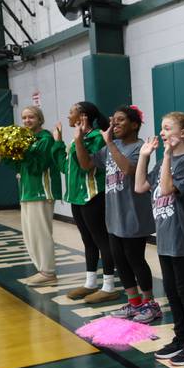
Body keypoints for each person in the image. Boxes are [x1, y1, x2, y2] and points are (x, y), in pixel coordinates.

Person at [135, 112, 184, 365]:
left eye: (167, 128)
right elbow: (141, 186)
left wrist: (165, 156)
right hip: (165, 234)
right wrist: (144, 157)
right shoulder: (165, 161)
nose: (162, 133)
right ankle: (180, 338)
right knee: (171, 290)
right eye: (161, 128)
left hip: (182, 233)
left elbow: (166, 189)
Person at [74, 105, 159, 317]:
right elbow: (86, 165)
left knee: (135, 258)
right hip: (114, 214)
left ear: (134, 124)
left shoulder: (141, 147)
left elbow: (128, 170)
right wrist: (78, 140)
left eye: (121, 120)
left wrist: (109, 142)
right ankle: (134, 302)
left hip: (134, 214)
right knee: (119, 259)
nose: (115, 124)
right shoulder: (112, 147)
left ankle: (150, 304)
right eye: (114, 120)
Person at [54, 102, 117, 301]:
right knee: (88, 242)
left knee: (101, 240)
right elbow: (65, 168)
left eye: (71, 112)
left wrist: (78, 140)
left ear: (82, 116)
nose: (68, 115)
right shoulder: (78, 138)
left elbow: (86, 167)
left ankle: (109, 286)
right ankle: (90, 282)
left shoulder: (97, 137)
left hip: (93, 195)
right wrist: (58, 143)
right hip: (77, 197)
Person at [12, 106, 65, 285]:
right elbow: (20, 168)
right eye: (24, 118)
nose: (27, 121)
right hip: (27, 192)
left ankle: (48, 272)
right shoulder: (27, 138)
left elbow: (37, 166)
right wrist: (8, 154)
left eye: (31, 117)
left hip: (42, 191)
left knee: (41, 233)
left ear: (40, 119)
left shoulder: (45, 139)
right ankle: (42, 269)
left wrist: (23, 150)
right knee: (30, 234)